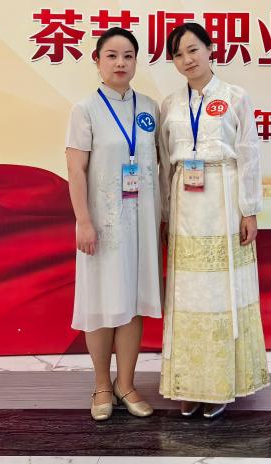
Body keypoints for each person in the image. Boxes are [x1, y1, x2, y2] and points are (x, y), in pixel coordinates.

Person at [158, 22, 270, 419]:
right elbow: (164, 163)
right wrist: (166, 215)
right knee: (188, 295)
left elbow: (249, 154)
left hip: (223, 197)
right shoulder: (170, 105)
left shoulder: (235, 97)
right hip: (184, 203)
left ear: (210, 49)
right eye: (178, 54)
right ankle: (190, 383)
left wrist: (249, 209)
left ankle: (222, 383)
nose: (187, 60)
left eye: (193, 50)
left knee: (222, 293)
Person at [65, 27, 161, 421]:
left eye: (128, 56)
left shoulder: (150, 108)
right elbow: (76, 169)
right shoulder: (85, 109)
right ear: (97, 61)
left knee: (133, 303)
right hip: (102, 225)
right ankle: (102, 385)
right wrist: (83, 221)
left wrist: (163, 219)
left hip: (142, 223)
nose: (120, 63)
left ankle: (127, 384)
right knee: (101, 302)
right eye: (112, 55)